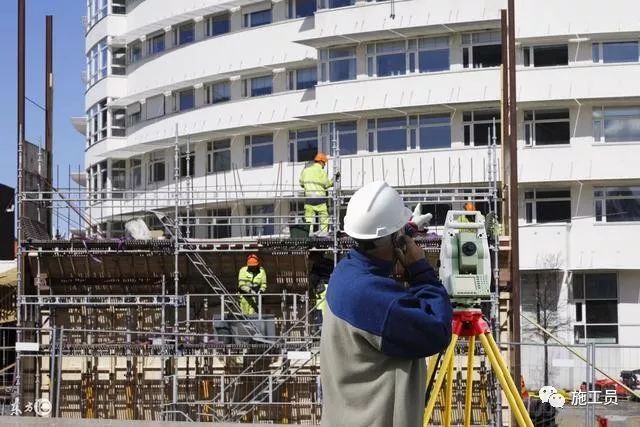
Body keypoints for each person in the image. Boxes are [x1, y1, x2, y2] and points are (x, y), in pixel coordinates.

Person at [320, 181, 453, 427]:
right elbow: (439, 329)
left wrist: (405, 230)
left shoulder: (346, 273)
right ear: (393, 239)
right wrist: (420, 270)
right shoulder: (376, 298)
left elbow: (376, 244)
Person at [299, 153, 338, 236]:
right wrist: (334, 180)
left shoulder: (305, 170)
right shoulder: (321, 172)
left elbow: (301, 184)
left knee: (309, 218)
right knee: (324, 216)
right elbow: (327, 185)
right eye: (324, 163)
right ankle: (323, 233)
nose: (324, 165)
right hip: (320, 199)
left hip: (309, 199)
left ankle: (309, 234)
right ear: (321, 162)